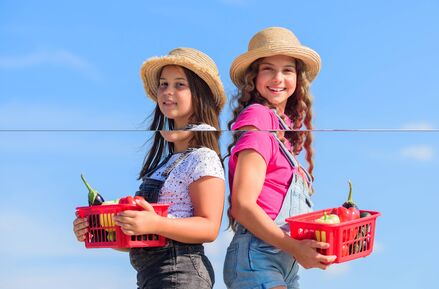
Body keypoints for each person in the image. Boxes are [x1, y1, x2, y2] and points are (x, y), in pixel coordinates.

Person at [73, 47, 226, 289]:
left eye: (179, 85)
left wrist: (154, 223)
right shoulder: (164, 165)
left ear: (200, 94)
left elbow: (209, 227)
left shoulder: (203, 157)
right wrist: (101, 230)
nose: (167, 91)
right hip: (152, 277)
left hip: (182, 274)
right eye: (164, 84)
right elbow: (143, 236)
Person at [223, 27, 336, 289]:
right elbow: (242, 204)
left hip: (285, 262)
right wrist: (295, 247)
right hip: (258, 256)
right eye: (267, 69)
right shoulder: (259, 117)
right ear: (253, 77)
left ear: (297, 77)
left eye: (287, 70)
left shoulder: (283, 133)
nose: (278, 78)